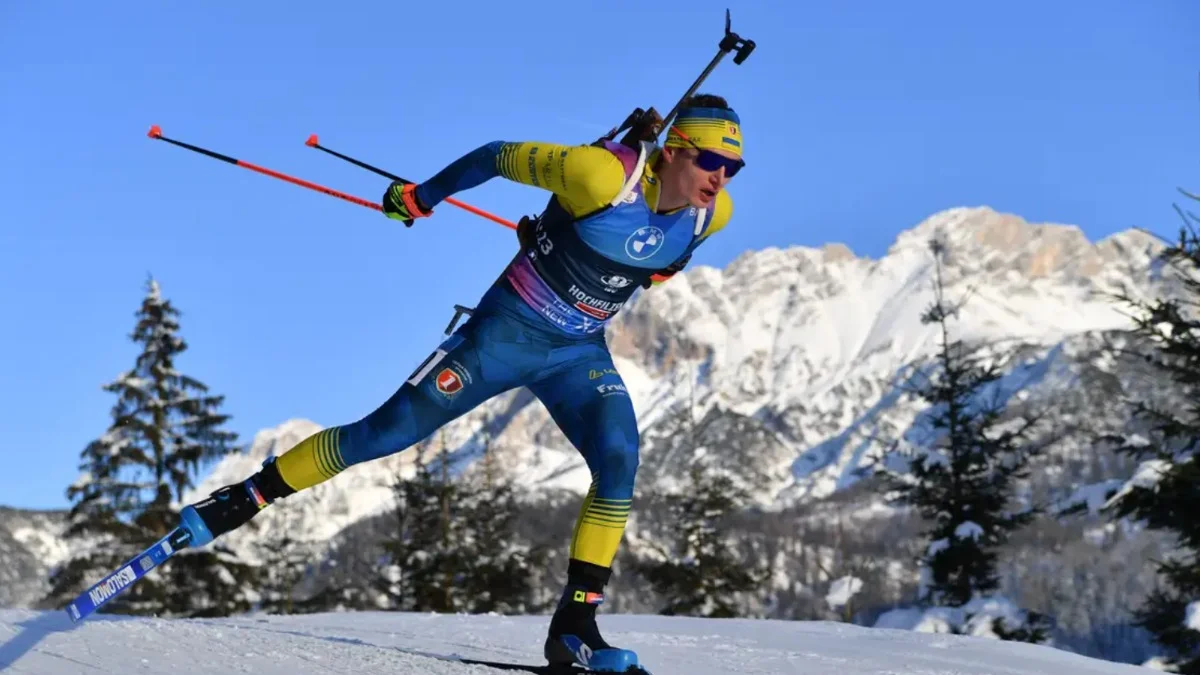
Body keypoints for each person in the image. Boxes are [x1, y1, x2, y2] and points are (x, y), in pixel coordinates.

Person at [178, 93, 745, 672]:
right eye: (709, 161)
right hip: (503, 335)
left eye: (732, 169)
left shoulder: (710, 216)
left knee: (620, 458)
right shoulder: (598, 174)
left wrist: (572, 239)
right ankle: (245, 496)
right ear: (673, 150)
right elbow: (495, 156)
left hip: (577, 354)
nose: (719, 178)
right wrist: (420, 197)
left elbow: (655, 261)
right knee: (383, 435)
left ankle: (575, 626)